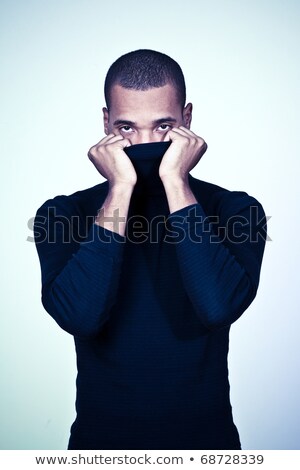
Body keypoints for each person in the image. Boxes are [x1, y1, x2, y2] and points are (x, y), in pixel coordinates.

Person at [34, 49, 267, 450]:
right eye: (126, 128)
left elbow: (217, 306)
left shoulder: (236, 211)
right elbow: (81, 317)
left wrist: (176, 183)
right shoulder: (63, 214)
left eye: (163, 126)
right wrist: (121, 188)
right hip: (99, 450)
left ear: (187, 121)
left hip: (206, 450)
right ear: (106, 123)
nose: (145, 142)